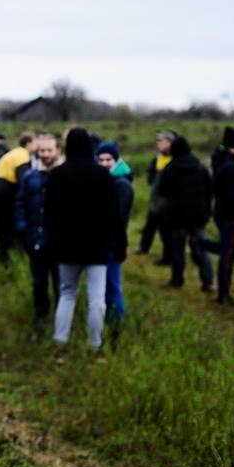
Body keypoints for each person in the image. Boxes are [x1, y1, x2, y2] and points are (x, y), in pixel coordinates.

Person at [45, 128, 120, 353]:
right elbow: (112, 214)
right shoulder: (103, 175)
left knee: (67, 294)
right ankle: (95, 346)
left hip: (66, 246)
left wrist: (53, 240)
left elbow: (49, 213)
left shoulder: (57, 175)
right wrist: (116, 243)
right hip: (97, 246)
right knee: (97, 299)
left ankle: (61, 344)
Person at [14, 133, 62, 333]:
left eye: (49, 150)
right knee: (39, 284)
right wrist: (23, 229)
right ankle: (40, 319)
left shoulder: (63, 175)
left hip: (59, 241)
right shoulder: (29, 176)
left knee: (61, 285)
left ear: (57, 151)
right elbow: (20, 204)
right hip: (36, 239)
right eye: (42, 150)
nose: (46, 154)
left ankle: (61, 323)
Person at [158, 135, 214, 292]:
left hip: (177, 218)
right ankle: (208, 281)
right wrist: (207, 211)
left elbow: (163, 193)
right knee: (201, 249)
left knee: (178, 250)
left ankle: (177, 280)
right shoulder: (200, 167)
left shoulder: (169, 169)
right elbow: (210, 191)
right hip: (199, 216)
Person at [96, 141, 133, 340]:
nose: (104, 163)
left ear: (116, 160)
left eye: (108, 160)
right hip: (105, 244)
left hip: (113, 244)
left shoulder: (121, 185)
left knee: (113, 287)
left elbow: (117, 219)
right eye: (100, 160)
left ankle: (116, 329)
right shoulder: (108, 182)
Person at [210, 127, 234, 306]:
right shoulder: (229, 166)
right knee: (228, 254)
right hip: (231, 218)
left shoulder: (221, 159)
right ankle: (224, 295)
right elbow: (233, 197)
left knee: (227, 252)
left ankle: (223, 293)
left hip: (222, 214)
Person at [0, 131, 37, 264]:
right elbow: (24, 180)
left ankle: (4, 255)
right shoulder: (23, 155)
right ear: (28, 143)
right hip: (4, 190)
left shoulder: (16, 152)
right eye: (35, 142)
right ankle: (6, 258)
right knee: (7, 225)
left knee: (3, 226)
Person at [138, 131, 175, 262]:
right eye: (158, 141)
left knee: (166, 231)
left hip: (167, 202)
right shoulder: (157, 157)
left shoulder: (175, 158)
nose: (158, 144)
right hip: (155, 199)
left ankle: (168, 256)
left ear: (170, 143)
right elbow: (151, 172)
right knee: (149, 226)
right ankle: (143, 248)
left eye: (162, 141)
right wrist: (151, 179)